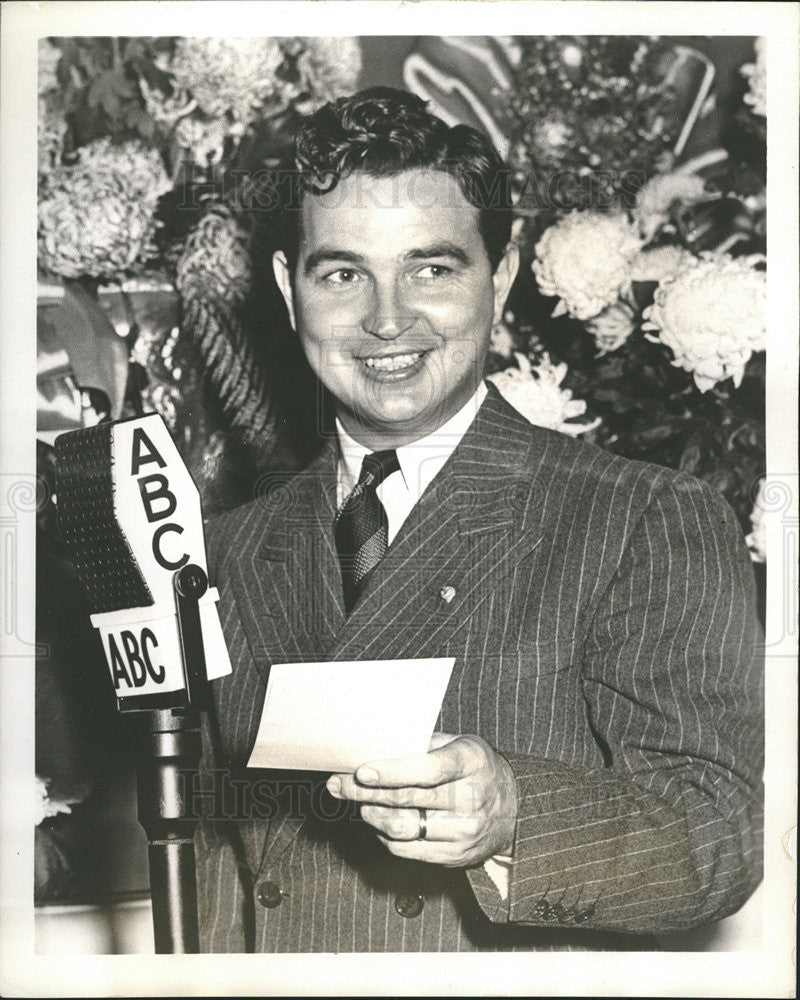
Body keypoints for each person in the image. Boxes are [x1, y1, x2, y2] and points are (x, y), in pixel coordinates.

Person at [195, 87, 763, 953]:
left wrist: (513, 814)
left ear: (500, 277)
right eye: (343, 274)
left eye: (431, 269)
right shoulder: (225, 550)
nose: (387, 319)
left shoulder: (642, 517)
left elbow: (717, 834)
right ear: (288, 289)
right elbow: (208, 868)